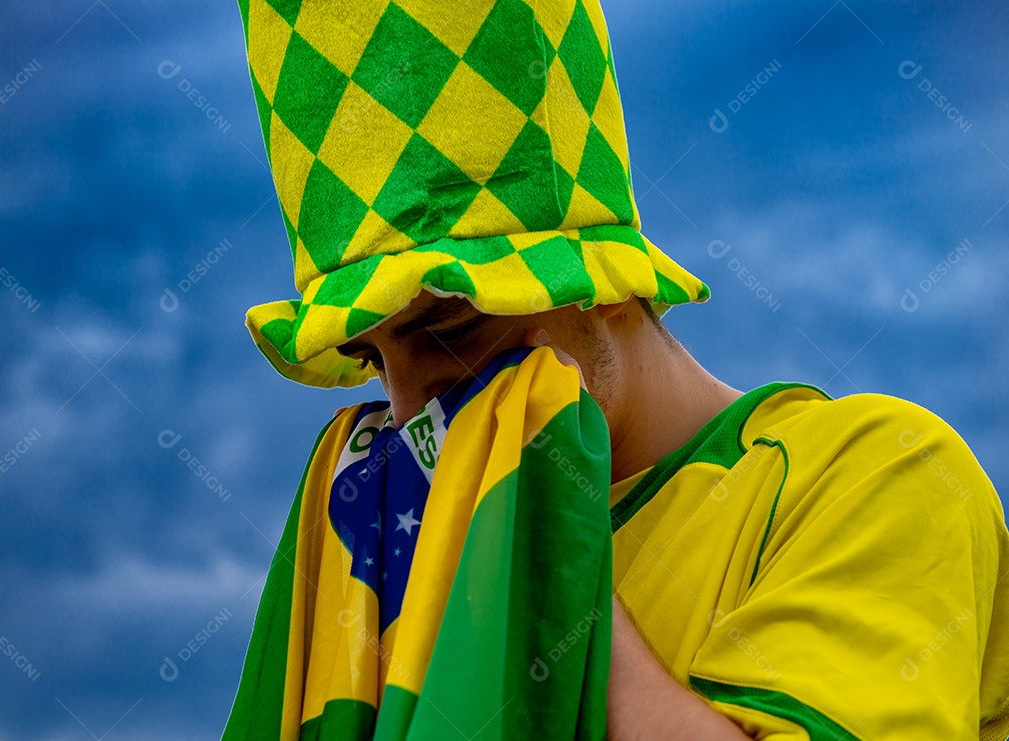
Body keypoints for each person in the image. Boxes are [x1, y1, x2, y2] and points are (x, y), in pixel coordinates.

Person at [230, 0, 1009, 737]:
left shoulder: (874, 476)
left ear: (595, 281)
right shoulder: (395, 559)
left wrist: (539, 562)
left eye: (449, 327)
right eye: (372, 355)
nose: (406, 409)